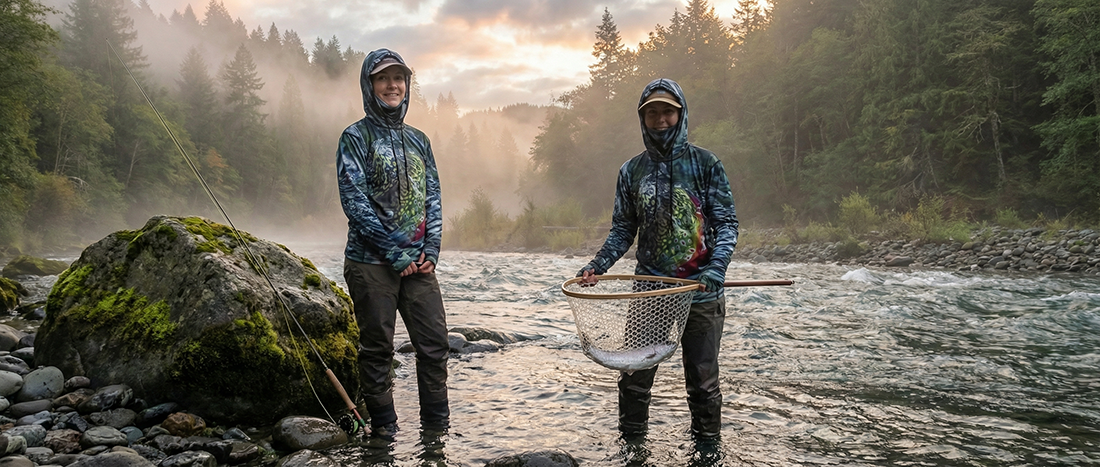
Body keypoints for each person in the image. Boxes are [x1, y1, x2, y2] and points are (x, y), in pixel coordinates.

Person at [577, 78, 738, 440]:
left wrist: (717, 268)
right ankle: (632, 450)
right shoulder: (630, 171)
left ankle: (707, 454)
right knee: (634, 381)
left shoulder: (707, 164)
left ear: (680, 115)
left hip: (701, 293)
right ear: (642, 118)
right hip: (648, 294)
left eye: (668, 111)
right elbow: (622, 230)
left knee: (703, 386)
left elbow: (727, 224)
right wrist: (597, 266)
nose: (660, 119)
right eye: (652, 113)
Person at [337, 48, 449, 440]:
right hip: (371, 264)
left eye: (398, 78)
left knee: (434, 347)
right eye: (383, 78)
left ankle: (436, 432)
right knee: (377, 350)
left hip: (419, 266)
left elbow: (433, 196)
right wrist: (395, 253)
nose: (392, 85)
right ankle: (384, 432)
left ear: (407, 85)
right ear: (370, 85)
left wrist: (430, 249)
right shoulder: (355, 136)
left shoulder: (419, 140)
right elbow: (355, 202)